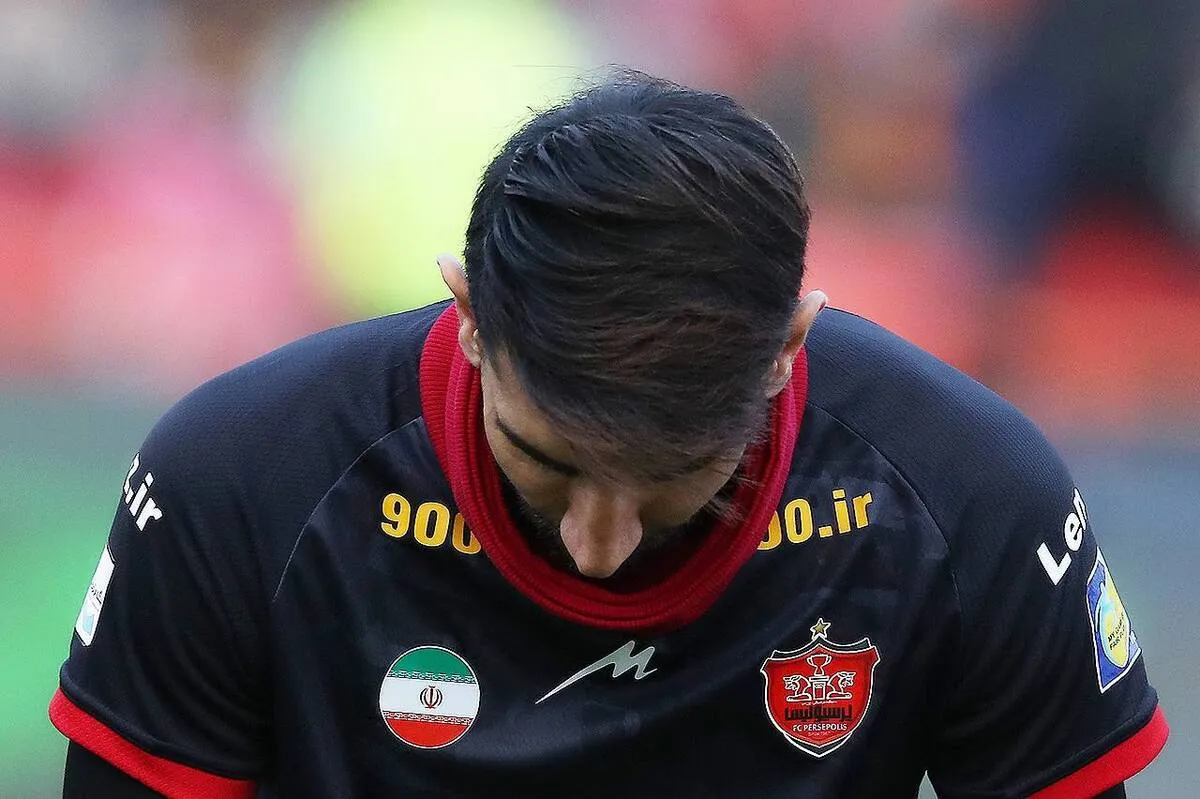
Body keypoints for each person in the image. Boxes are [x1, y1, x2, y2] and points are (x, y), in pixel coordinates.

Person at [51, 71, 1166, 797]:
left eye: (681, 476)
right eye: (547, 462)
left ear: (787, 347)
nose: (600, 545)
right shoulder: (240, 478)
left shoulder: (970, 495)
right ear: (470, 313)